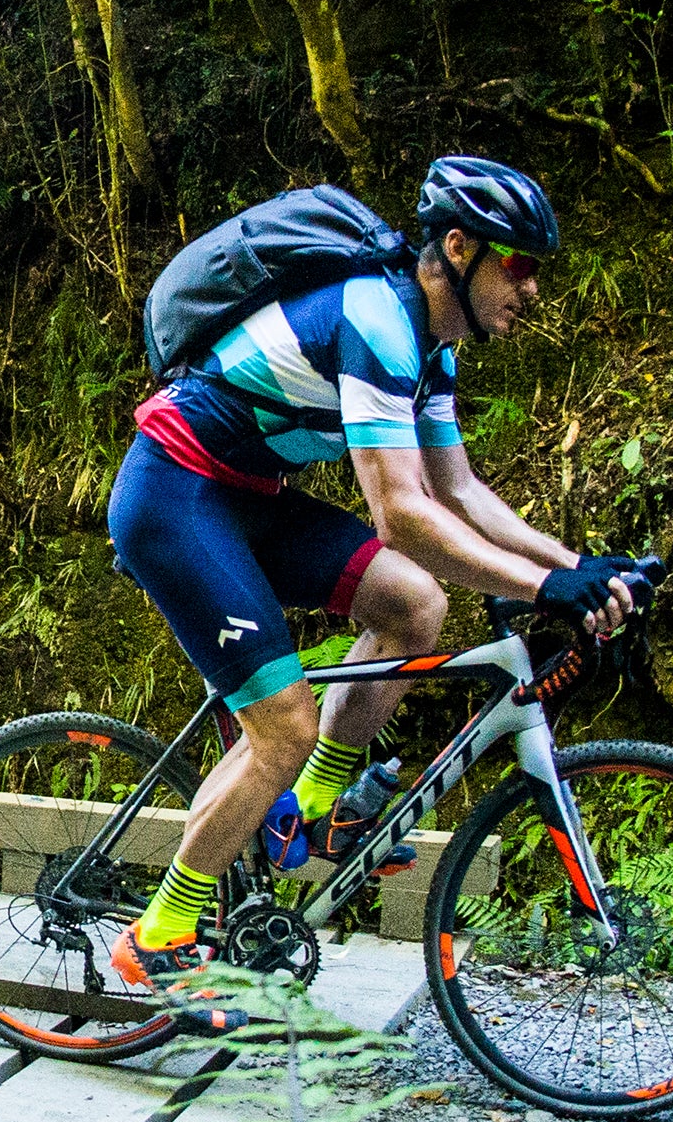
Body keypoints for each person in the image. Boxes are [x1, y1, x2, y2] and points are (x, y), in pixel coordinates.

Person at [101, 155, 641, 1025]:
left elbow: (462, 494)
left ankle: (309, 808)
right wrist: (549, 586)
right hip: (176, 494)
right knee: (280, 727)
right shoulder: (378, 318)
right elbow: (403, 514)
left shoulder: (430, 350)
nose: (533, 288)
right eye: (521, 263)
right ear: (458, 249)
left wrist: (579, 566)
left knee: (415, 606)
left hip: (246, 497)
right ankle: (157, 936)